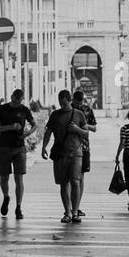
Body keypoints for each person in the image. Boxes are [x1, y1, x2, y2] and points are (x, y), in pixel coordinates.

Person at [41, 89, 88, 223]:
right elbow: (48, 132)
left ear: (70, 100)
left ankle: (75, 212)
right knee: (63, 183)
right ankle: (67, 212)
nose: (63, 106)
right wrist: (44, 147)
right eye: (61, 103)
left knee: (75, 181)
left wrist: (77, 129)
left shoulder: (79, 114)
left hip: (76, 153)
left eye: (65, 103)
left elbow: (86, 133)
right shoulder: (55, 115)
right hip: (60, 153)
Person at [0, 88, 35, 220]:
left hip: (19, 148)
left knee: (19, 178)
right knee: (4, 177)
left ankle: (18, 207)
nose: (16, 104)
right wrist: (9, 127)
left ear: (22, 100)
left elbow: (35, 125)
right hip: (4, 147)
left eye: (19, 102)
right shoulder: (2, 109)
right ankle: (6, 197)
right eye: (14, 101)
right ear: (11, 97)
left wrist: (27, 133)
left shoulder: (24, 110)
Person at [72, 90, 97, 211]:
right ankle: (72, 207)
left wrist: (84, 126)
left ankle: (77, 206)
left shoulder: (87, 110)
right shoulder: (68, 109)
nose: (79, 104)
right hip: (70, 147)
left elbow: (94, 128)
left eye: (80, 102)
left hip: (84, 146)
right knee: (72, 178)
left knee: (80, 177)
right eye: (77, 102)